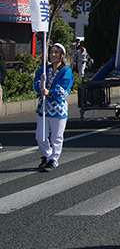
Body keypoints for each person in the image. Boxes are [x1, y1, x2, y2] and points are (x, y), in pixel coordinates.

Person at [33, 43, 74, 171]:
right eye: (51, 52)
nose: (53, 54)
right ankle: (46, 155)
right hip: (44, 107)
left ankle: (53, 159)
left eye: (56, 52)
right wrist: (41, 83)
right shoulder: (44, 69)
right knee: (40, 135)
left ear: (62, 55)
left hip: (58, 108)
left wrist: (50, 92)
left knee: (56, 136)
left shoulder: (66, 71)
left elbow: (64, 88)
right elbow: (35, 85)